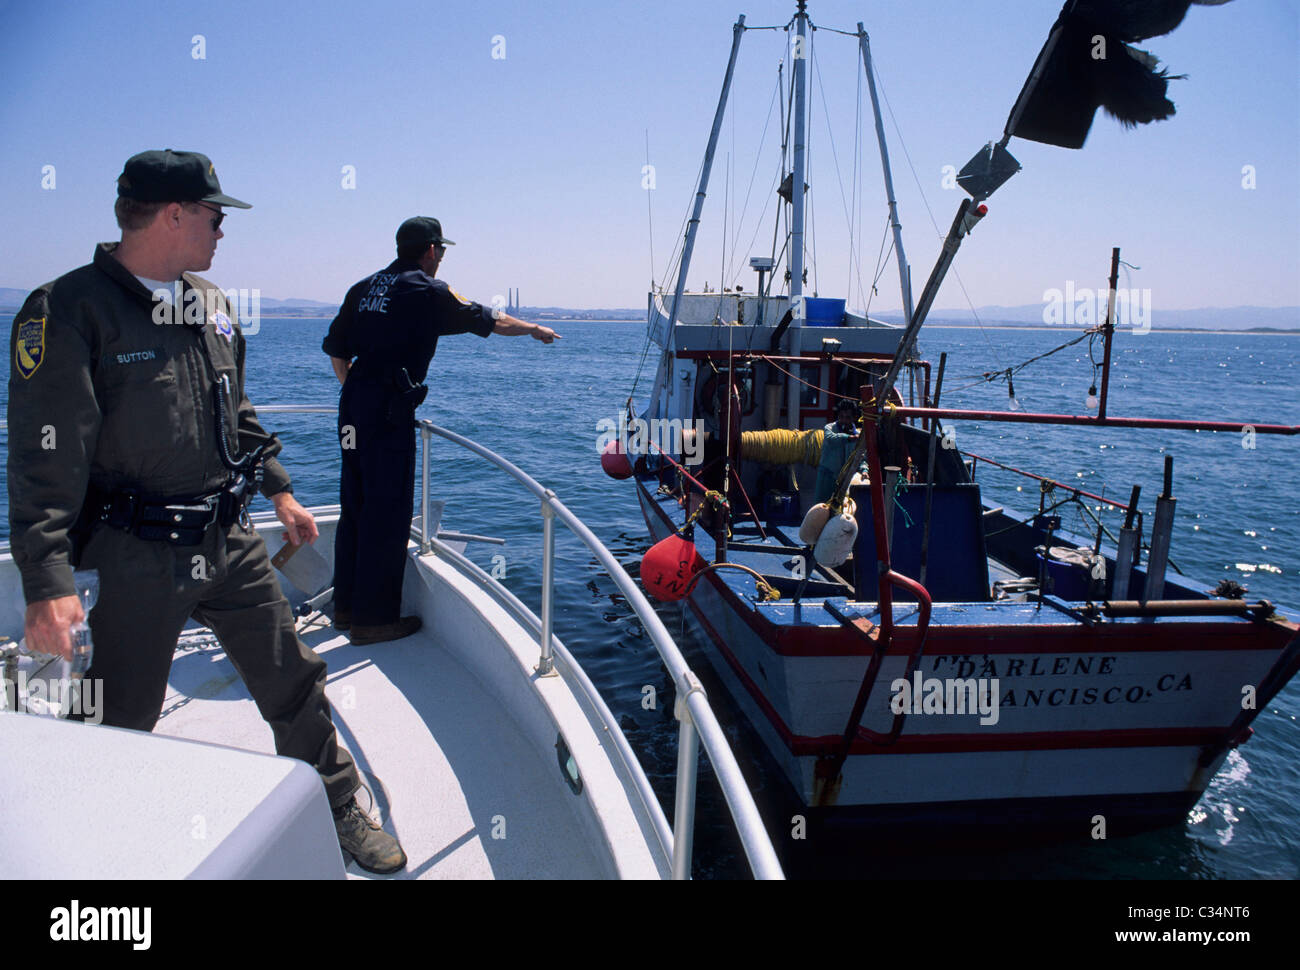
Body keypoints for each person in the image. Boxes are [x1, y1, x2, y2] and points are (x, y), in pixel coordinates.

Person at [7, 149, 406, 874]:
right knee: (113, 716)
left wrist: (280, 488)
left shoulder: (212, 305)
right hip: (130, 554)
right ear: (173, 215)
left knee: (294, 677)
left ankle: (335, 801)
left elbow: (238, 412)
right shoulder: (67, 311)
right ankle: (89, 849)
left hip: (227, 537)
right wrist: (47, 581)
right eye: (215, 215)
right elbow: (44, 459)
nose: (223, 230)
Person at [323, 217, 558, 644]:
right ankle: (373, 622)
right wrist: (534, 330)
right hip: (388, 411)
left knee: (354, 504)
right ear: (431, 250)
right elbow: (490, 319)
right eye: (442, 251)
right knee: (387, 510)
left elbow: (337, 351)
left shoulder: (363, 288)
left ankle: (344, 608)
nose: (442, 258)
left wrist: (359, 395)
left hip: (352, 406)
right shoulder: (427, 290)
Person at [815, 398, 862, 505]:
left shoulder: (858, 435)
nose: (844, 420)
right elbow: (831, 439)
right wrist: (848, 437)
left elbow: (862, 457)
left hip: (845, 480)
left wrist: (864, 470)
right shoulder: (829, 428)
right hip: (826, 477)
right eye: (841, 417)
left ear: (854, 418)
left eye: (848, 418)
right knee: (820, 507)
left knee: (840, 510)